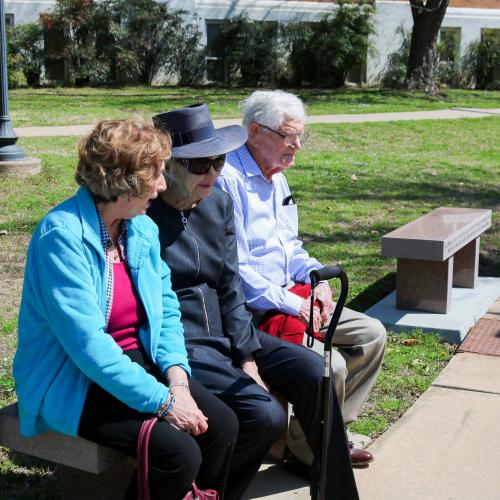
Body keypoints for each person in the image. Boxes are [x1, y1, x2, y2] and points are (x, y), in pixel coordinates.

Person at [13, 119, 239, 500]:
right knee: (177, 452)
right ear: (124, 181)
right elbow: (87, 347)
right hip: (73, 378)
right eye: (155, 174)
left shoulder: (141, 228)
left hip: (134, 361)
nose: (163, 185)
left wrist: (177, 382)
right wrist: (165, 403)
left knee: (224, 426)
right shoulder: (62, 236)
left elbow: (166, 312)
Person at [148, 103, 359, 500]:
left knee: (316, 370)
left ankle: (336, 492)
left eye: (218, 160)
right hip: (181, 342)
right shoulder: (144, 216)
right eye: (200, 165)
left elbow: (230, 287)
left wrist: (246, 355)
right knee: (265, 415)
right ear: (168, 167)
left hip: (228, 333)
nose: (213, 172)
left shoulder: (217, 204)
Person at [216, 90, 387, 470]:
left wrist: (317, 279)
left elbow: (289, 245)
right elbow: (238, 271)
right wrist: (297, 304)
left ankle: (323, 431)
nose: (297, 146)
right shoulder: (228, 179)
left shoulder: (276, 175)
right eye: (288, 136)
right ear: (256, 132)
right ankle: (312, 451)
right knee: (333, 367)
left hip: (293, 294)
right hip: (255, 309)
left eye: (300, 136)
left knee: (372, 335)